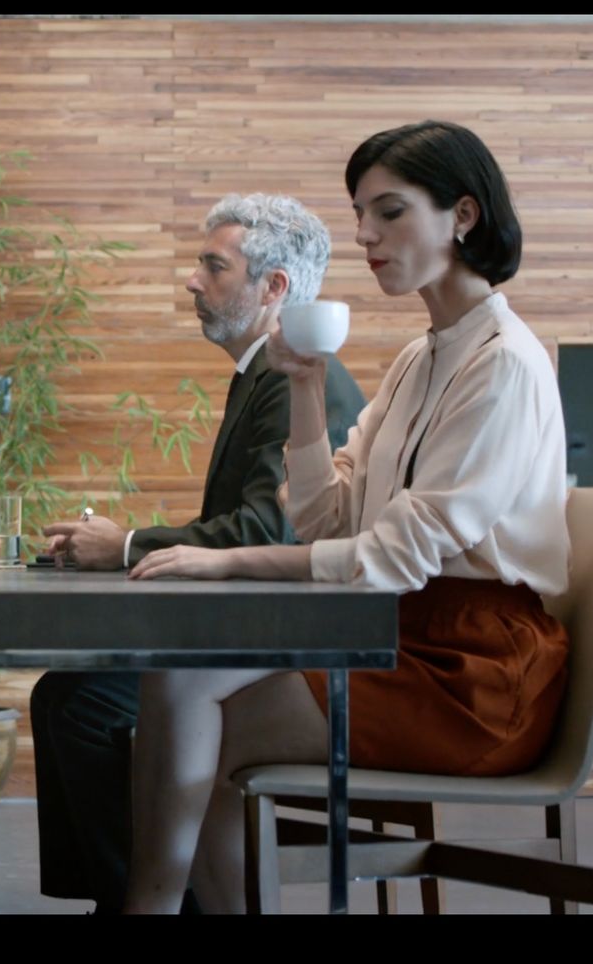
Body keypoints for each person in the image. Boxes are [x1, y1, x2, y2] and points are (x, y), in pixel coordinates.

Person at [125, 121, 570, 914]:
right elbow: (328, 524)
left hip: (473, 674)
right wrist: (304, 387)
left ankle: (151, 909)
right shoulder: (417, 359)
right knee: (181, 678)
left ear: (462, 216)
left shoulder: (503, 363)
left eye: (389, 212)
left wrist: (227, 561)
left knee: (192, 699)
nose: (364, 235)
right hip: (393, 636)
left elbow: (395, 556)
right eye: (362, 212)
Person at [31, 193, 365, 913]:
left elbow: (262, 532)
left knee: (80, 701)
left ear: (273, 288)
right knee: (69, 694)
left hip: (283, 651)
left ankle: (141, 899)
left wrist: (123, 544)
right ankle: (129, 895)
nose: (191, 280)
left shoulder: (293, 379)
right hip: (246, 635)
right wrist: (124, 544)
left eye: (214, 265)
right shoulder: (262, 374)